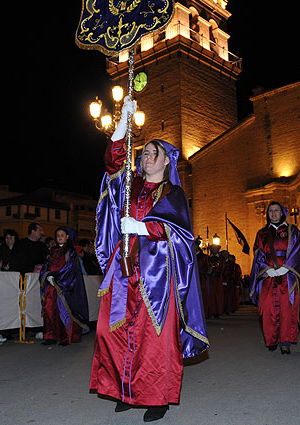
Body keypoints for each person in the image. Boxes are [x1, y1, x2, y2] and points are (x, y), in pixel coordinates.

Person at [90, 98, 208, 422]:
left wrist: (141, 226)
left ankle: (157, 397)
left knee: (153, 339)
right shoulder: (133, 185)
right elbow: (114, 164)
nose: (145, 156)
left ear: (167, 161)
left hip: (156, 275)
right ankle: (125, 389)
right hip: (124, 268)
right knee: (112, 330)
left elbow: (177, 229)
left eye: (152, 152)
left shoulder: (173, 193)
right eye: (144, 153)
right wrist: (123, 123)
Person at [249, 201, 300, 354]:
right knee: (267, 309)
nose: (273, 213)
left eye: (276, 210)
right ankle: (271, 339)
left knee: (287, 309)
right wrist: (267, 270)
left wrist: (285, 268)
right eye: (270, 211)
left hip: (287, 276)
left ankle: (285, 341)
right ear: (267, 214)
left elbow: (297, 251)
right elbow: (258, 254)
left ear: (282, 213)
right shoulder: (261, 233)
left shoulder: (292, 231)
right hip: (268, 276)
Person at [39, 226, 89, 346]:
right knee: (49, 310)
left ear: (67, 237)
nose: (60, 237)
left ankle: (65, 336)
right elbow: (45, 267)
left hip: (65, 287)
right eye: (58, 236)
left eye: (62, 235)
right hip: (52, 286)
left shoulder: (71, 252)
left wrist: (56, 278)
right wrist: (47, 276)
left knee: (64, 311)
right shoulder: (52, 251)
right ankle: (51, 336)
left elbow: (70, 269)